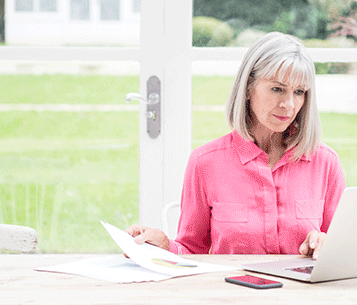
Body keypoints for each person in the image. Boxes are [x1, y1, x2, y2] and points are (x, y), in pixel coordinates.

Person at [126, 32, 345, 258]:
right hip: (231, 282)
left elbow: (344, 249)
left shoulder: (325, 163)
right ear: (248, 87)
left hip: (303, 284)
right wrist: (164, 246)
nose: (288, 104)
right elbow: (191, 251)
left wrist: (327, 244)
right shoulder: (205, 162)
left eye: (299, 92)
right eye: (277, 89)